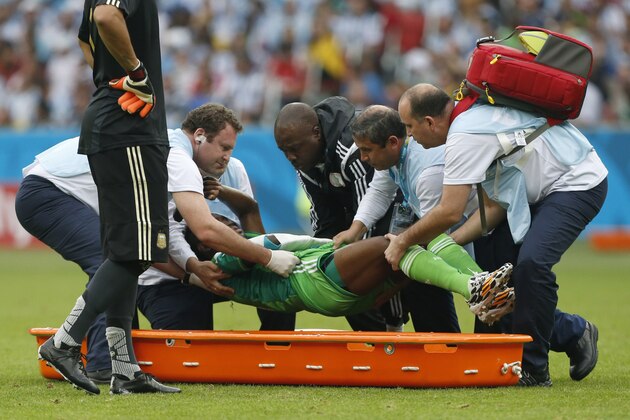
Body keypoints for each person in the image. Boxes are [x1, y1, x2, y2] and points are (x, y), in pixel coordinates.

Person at [389, 83, 608, 386]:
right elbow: (492, 209)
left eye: (410, 127)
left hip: (576, 184)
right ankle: (572, 333)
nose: (409, 136)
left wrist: (403, 240)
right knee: (496, 283)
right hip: (538, 194)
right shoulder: (469, 118)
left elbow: (450, 211)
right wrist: (447, 245)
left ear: (429, 122)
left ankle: (533, 369)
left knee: (532, 266)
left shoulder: (463, 135)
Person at [274, 97, 458, 333]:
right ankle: (381, 341)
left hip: (416, 217)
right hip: (399, 217)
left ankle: (437, 343)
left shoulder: (354, 148)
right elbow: (329, 220)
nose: (290, 156)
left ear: (316, 133)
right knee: (341, 279)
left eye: (295, 148)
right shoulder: (307, 163)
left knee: (420, 279)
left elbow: (378, 210)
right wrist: (323, 257)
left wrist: (384, 290)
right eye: (284, 151)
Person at [136, 104, 296, 333]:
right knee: (190, 347)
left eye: (231, 150)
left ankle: (277, 353)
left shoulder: (235, 170)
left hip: (220, 265)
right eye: (224, 148)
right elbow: (168, 235)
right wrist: (193, 271)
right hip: (167, 277)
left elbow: (252, 228)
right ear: (200, 136)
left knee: (280, 287)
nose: (227, 157)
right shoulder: (171, 162)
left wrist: (224, 193)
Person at [333, 105, 478, 331]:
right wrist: (354, 231)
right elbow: (380, 191)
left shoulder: (426, 171)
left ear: (392, 142)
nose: (362, 158)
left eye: (367, 150)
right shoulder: (397, 155)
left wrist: (401, 244)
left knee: (500, 306)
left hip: (485, 230)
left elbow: (435, 227)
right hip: (464, 230)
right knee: (486, 300)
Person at [189, 231, 515, 325]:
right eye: (216, 225)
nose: (224, 225)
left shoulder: (234, 251)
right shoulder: (220, 261)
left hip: (334, 287)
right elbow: (269, 244)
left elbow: (250, 213)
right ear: (206, 243)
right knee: (394, 243)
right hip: (315, 278)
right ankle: (473, 287)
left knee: (424, 237)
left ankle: (485, 291)